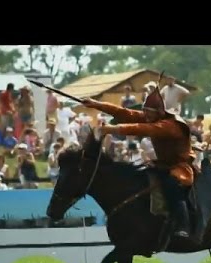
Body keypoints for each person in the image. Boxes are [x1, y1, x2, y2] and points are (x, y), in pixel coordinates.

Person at [81, 81, 196, 241]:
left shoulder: (170, 125)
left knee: (172, 187)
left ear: (160, 111)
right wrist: (95, 104)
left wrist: (112, 129)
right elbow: (124, 113)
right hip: (162, 165)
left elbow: (142, 129)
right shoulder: (153, 117)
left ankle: (184, 226)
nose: (146, 116)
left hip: (180, 168)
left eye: (150, 113)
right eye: (145, 112)